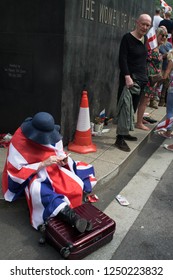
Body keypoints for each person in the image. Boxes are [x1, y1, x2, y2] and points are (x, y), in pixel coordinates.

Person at [2, 112, 97, 232]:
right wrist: (43, 164)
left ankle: (71, 216)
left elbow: (58, 151)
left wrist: (63, 160)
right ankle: (72, 217)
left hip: (52, 166)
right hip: (31, 173)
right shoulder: (19, 140)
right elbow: (15, 171)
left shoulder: (53, 134)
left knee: (73, 183)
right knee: (39, 190)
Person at [114, 14, 152, 152]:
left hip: (141, 80)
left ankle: (125, 132)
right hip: (129, 80)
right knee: (125, 108)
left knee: (133, 108)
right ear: (137, 23)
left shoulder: (145, 39)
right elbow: (122, 59)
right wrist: (127, 76)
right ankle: (119, 138)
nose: (145, 27)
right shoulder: (127, 38)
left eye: (148, 25)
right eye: (143, 24)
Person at [136, 27, 168, 131]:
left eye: (166, 36)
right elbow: (149, 60)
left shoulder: (156, 48)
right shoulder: (152, 48)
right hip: (149, 78)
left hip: (152, 79)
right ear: (157, 35)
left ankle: (140, 119)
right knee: (144, 100)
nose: (164, 37)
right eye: (162, 35)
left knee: (145, 100)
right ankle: (139, 122)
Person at [156, 49, 173, 139]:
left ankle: (168, 132)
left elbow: (166, 73)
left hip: (172, 89)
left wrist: (160, 79)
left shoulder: (172, 59)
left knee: (170, 110)